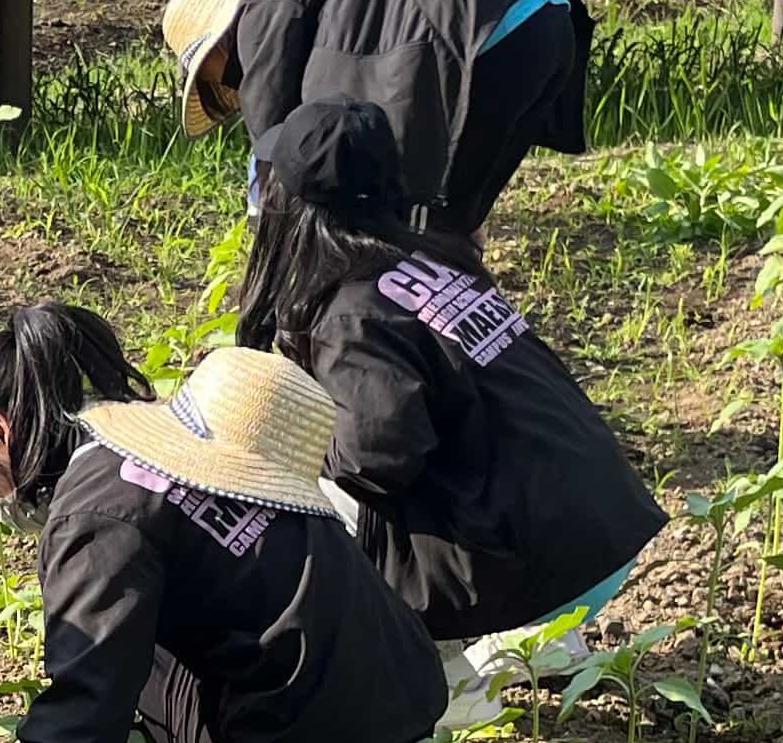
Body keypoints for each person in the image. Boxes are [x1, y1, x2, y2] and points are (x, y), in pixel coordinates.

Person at [0, 310, 442, 743]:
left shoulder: (97, 510)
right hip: (405, 737)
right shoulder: (188, 448)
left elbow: (88, 704)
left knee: (119, 641)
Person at [233, 101, 665, 697]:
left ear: (296, 208)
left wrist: (297, 437)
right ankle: (549, 640)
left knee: (290, 492)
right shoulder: (435, 254)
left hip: (534, 570)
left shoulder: (353, 313)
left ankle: (443, 685)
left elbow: (377, 455)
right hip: (598, 530)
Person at [164, 0, 591, 241]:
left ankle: (413, 333)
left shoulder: (263, 9)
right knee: (457, 216)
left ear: (218, 44)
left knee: (423, 224)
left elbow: (281, 152)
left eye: (211, 76)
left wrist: (265, 245)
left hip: (482, 30)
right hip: (546, 6)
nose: (226, 86)